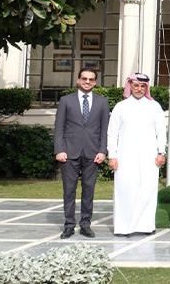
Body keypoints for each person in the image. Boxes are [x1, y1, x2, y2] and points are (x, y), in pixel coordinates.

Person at [108, 73, 167, 236]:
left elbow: (161, 132)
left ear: (146, 88)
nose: (139, 89)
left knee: (147, 189)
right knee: (124, 189)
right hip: (125, 156)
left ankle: (146, 226)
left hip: (149, 156)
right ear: (130, 87)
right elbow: (112, 133)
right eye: (136, 86)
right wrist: (111, 155)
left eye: (142, 86)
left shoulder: (154, 107)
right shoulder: (121, 107)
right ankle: (123, 227)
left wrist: (161, 152)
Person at [54, 68, 110, 239]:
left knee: (89, 190)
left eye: (91, 79)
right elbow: (59, 127)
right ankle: (69, 225)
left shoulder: (102, 102)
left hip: (92, 153)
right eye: (84, 78)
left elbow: (104, 130)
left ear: (95, 82)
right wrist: (59, 149)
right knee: (69, 190)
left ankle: (85, 224)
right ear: (78, 80)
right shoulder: (66, 101)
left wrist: (103, 150)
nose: (87, 82)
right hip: (69, 153)